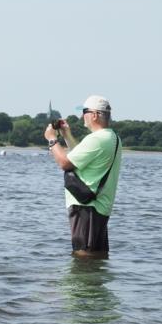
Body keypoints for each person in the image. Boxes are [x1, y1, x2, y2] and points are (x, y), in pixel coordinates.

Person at [45, 95, 122, 258]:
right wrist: (66, 135)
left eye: (85, 112)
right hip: (99, 208)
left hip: (87, 209)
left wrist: (52, 139)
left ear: (94, 115)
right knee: (97, 258)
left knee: (83, 256)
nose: (82, 116)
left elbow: (65, 163)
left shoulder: (98, 139)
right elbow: (80, 156)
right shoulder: (112, 137)